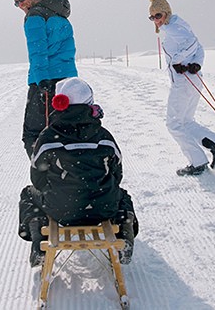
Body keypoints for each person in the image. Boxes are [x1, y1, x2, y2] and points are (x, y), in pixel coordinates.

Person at [17, 77, 139, 268]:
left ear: (59, 103)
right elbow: (117, 174)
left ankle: (39, 239)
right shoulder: (103, 136)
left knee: (28, 194)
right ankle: (124, 231)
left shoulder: (48, 137)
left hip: (62, 211)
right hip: (103, 208)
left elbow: (37, 178)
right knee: (122, 196)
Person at [148, 0, 215, 176]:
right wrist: (196, 64)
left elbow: (192, 44)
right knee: (185, 121)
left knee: (173, 124)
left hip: (184, 83)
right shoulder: (179, 25)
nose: (156, 20)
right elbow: (198, 47)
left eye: (158, 15)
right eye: (152, 17)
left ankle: (198, 161)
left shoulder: (173, 28)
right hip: (192, 79)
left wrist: (178, 60)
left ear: (166, 13)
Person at [12, 0, 78, 157]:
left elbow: (37, 50)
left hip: (46, 81)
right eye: (16, 2)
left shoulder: (35, 16)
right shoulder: (60, 17)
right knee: (65, 130)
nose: (20, 4)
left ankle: (45, 179)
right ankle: (68, 175)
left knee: (34, 135)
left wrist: (42, 80)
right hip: (68, 82)